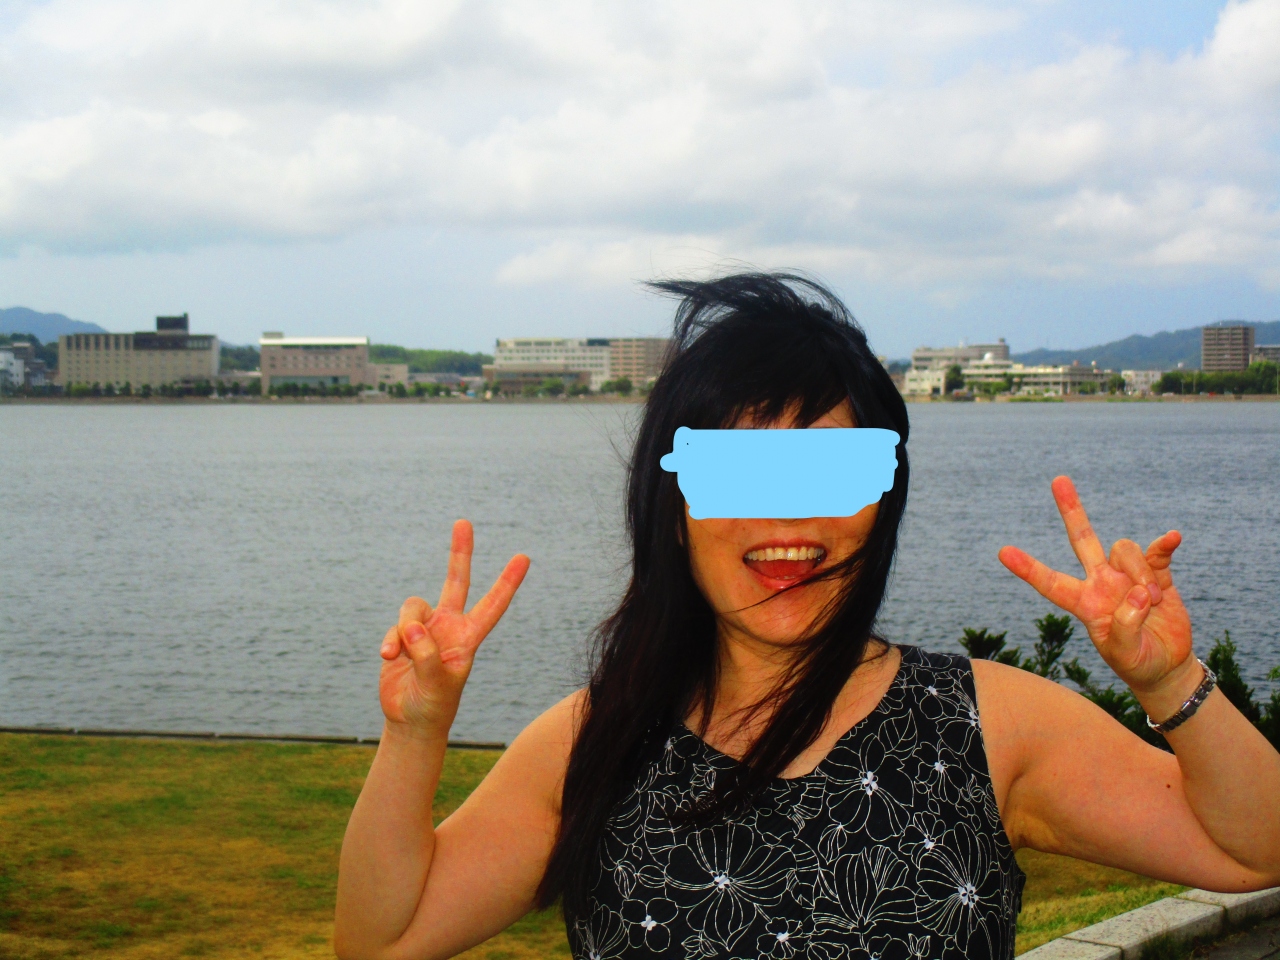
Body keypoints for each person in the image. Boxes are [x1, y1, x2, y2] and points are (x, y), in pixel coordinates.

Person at [335, 274, 1280, 960]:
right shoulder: (592, 743)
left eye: (829, 472)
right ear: (674, 505)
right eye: (742, 473)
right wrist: (415, 733)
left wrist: (1169, 680)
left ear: (881, 499)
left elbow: (1256, 849)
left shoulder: (987, 725)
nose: (788, 524)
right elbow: (381, 940)